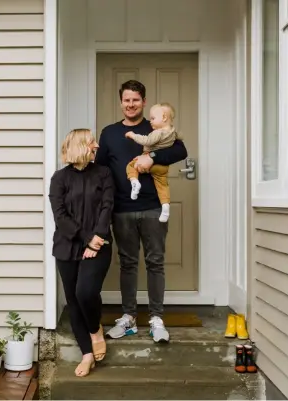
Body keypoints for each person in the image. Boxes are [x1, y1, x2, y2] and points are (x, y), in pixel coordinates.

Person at [95, 80, 188, 343]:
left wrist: (153, 158)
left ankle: (157, 317)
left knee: (155, 262)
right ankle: (128, 318)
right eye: (127, 100)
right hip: (121, 209)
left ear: (144, 102)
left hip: (153, 208)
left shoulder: (156, 127)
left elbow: (181, 150)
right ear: (121, 102)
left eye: (136, 100)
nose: (131, 104)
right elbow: (101, 170)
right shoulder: (110, 133)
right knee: (128, 264)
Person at [49, 129, 114, 377]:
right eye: (91, 142)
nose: (96, 146)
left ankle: (95, 328)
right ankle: (87, 354)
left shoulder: (104, 173)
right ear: (79, 146)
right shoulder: (59, 178)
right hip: (67, 246)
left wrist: (96, 239)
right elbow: (60, 216)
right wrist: (86, 239)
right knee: (73, 299)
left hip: (100, 243)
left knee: (86, 292)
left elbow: (107, 206)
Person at [125, 102, 182, 222]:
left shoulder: (158, 132)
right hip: (163, 167)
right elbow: (178, 140)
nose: (151, 121)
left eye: (153, 118)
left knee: (131, 166)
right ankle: (165, 207)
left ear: (164, 118)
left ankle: (135, 182)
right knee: (162, 186)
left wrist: (133, 135)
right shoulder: (172, 131)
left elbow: (147, 141)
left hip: (150, 162)